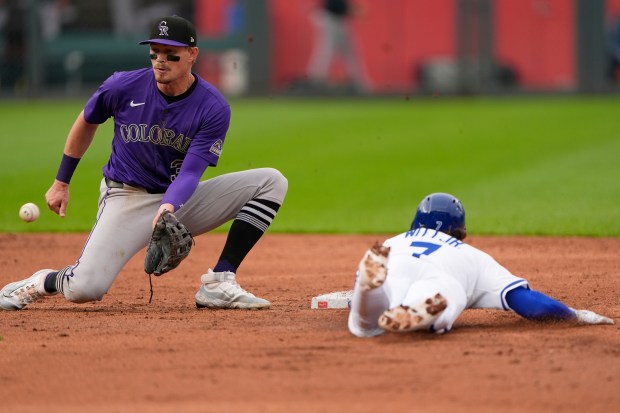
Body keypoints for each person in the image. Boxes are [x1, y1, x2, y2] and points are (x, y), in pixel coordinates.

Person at [0, 15, 288, 311]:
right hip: (127, 198)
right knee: (84, 288)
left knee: (271, 181)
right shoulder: (123, 86)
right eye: (155, 52)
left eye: (171, 53)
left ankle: (219, 282)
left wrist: (168, 206)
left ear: (192, 54)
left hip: (177, 200)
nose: (161, 60)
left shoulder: (212, 107)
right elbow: (86, 121)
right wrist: (61, 182)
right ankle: (41, 282)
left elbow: (191, 173)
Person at [348, 193, 614, 337]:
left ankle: (369, 295)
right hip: (446, 276)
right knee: (444, 295)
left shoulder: (392, 242)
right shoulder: (472, 256)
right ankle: (426, 313)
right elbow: (526, 302)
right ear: (460, 231)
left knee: (366, 321)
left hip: (397, 264)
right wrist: (573, 314)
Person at [306, 0, 372, 94]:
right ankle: (314, 83)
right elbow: (335, 5)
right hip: (330, 19)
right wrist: (352, 9)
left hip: (337, 20)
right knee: (326, 54)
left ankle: (359, 84)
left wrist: (350, 9)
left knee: (349, 55)